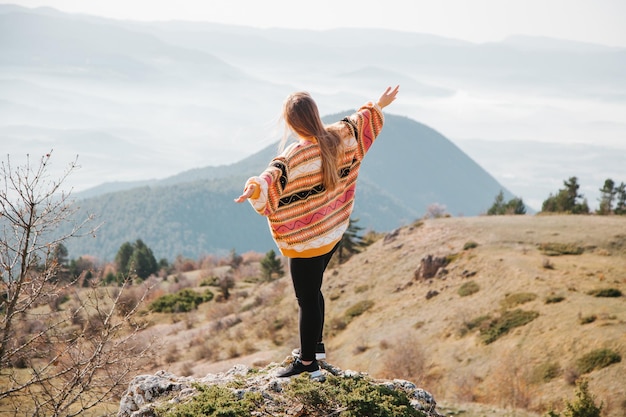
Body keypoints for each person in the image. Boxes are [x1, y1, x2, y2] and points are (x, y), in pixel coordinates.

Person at [234, 85, 399, 378]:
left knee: (306, 299)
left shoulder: (295, 154)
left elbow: (272, 177)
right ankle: (316, 346)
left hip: (307, 241)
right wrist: (380, 105)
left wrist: (254, 188)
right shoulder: (339, 136)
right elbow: (359, 121)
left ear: (292, 123)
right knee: (314, 291)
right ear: (315, 115)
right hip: (332, 232)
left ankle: (308, 363)